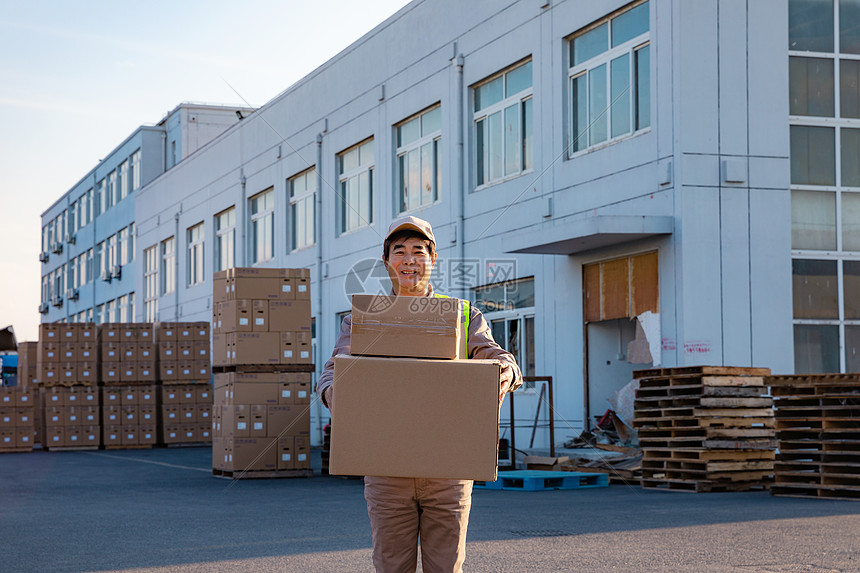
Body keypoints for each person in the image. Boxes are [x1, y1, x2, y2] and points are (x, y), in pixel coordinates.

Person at [316, 215, 522, 573]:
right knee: (392, 566)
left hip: (448, 470)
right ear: (386, 262)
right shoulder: (364, 320)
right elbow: (332, 372)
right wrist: (338, 396)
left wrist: (506, 371)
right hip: (385, 468)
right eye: (399, 251)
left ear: (433, 259)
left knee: (446, 568)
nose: (409, 260)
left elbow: (497, 357)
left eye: (418, 251)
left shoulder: (461, 314)